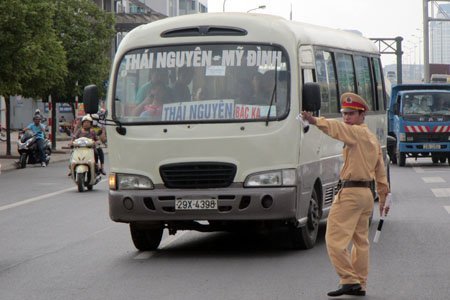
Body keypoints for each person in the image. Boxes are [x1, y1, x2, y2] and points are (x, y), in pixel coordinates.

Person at [301, 92, 390, 298]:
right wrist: (383, 197)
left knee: (333, 239)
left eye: (351, 114)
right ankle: (360, 282)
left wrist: (314, 120)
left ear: (362, 115)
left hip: (350, 194)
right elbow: (380, 170)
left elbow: (336, 129)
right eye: (344, 114)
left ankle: (349, 280)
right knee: (360, 242)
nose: (346, 118)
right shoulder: (372, 138)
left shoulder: (355, 133)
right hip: (367, 194)